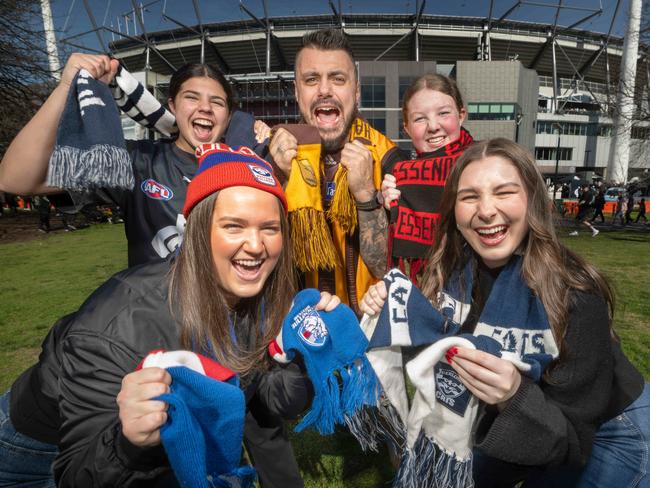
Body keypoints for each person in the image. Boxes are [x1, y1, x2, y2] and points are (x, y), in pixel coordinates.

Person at [0, 145, 335, 487]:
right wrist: (128, 444)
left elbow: (272, 401)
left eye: (270, 228)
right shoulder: (118, 326)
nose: (255, 244)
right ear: (198, 231)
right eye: (234, 226)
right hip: (33, 449)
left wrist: (302, 356)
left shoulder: (265, 297)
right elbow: (78, 477)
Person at [360, 138, 648, 488]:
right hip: (515, 414)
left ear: (532, 200)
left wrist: (514, 395)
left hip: (606, 430)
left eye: (504, 192)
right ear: (453, 209)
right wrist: (394, 307)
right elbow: (435, 339)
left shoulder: (576, 294)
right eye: (469, 197)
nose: (485, 210)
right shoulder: (453, 271)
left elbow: (571, 441)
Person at [0, 54, 263, 267]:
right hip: (155, 325)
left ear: (228, 115)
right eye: (191, 97)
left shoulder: (248, 168)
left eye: (216, 102)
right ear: (172, 105)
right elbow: (15, 178)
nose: (205, 107)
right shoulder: (139, 161)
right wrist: (66, 88)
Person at [268, 28, 403, 312]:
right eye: (311, 79)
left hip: (371, 331)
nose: (325, 90)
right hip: (297, 329)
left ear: (355, 91)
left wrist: (367, 196)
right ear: (296, 91)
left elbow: (393, 269)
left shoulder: (390, 159)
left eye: (337, 79)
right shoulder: (271, 157)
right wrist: (277, 179)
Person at [379, 74, 474, 283]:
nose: (433, 126)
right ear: (407, 128)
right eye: (420, 118)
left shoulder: (484, 163)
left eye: (443, 113)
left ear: (461, 115)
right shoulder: (399, 177)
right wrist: (389, 212)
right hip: (426, 291)